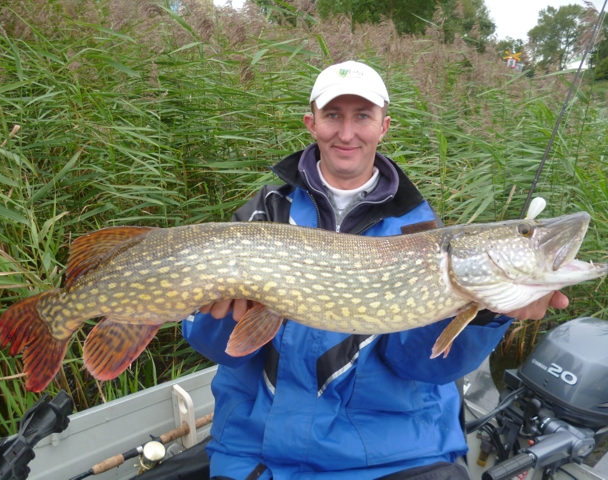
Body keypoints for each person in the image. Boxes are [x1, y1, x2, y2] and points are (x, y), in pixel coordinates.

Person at [182, 60, 568, 480]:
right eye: (333, 116)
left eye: (362, 116)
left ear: (384, 126)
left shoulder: (419, 232)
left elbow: (420, 366)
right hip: (256, 451)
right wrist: (218, 318)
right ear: (311, 123)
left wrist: (492, 310)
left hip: (390, 457)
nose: (346, 134)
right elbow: (218, 346)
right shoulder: (265, 213)